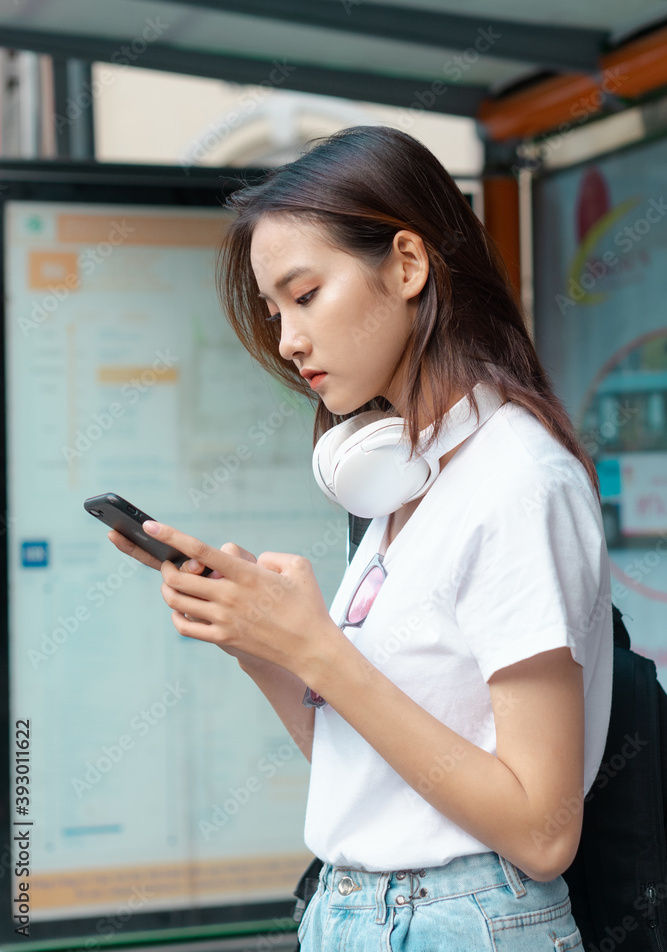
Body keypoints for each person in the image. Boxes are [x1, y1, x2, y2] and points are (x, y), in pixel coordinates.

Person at [109, 125, 613, 951]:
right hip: (354, 911)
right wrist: (262, 644)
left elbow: (542, 827)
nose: (286, 340)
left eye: (304, 296)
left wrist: (317, 649)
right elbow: (375, 773)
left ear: (407, 265)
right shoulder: (406, 488)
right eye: (273, 311)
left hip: (463, 919)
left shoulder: (518, 480)